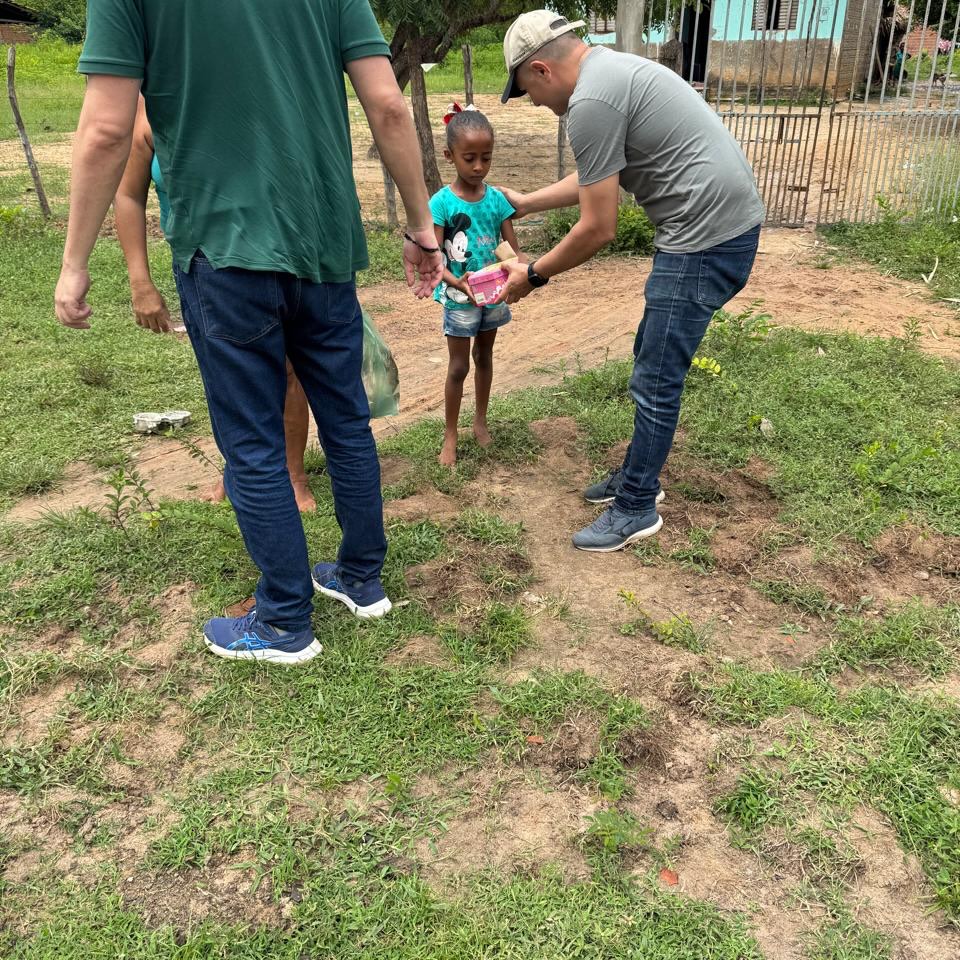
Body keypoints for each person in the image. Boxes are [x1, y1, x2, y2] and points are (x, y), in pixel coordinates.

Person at [55, 0, 443, 666]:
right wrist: (420, 225)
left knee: (253, 440)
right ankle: (360, 578)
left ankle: (285, 621)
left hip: (224, 247)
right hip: (324, 240)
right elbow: (388, 106)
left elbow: (105, 130)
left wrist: (75, 263)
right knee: (346, 419)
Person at [496, 10, 764, 553]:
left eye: (527, 92)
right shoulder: (610, 73)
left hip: (704, 239)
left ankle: (637, 504)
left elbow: (599, 227)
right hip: (718, 227)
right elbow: (599, 175)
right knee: (652, 355)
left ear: (542, 70)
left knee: (656, 377)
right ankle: (636, 475)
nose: (538, 104)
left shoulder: (591, 102)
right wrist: (528, 203)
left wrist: (533, 274)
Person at [114, 96, 317, 513]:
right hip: (199, 268)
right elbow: (128, 195)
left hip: (270, 255)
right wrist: (141, 282)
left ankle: (294, 475)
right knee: (225, 379)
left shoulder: (235, 86)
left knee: (288, 371)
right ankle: (238, 472)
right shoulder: (144, 108)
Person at [430, 104, 521, 467]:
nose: (479, 167)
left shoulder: (496, 200)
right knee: (458, 366)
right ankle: (450, 434)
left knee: (484, 356)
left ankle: (479, 421)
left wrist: (516, 273)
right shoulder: (441, 203)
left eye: (486, 158)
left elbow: (513, 250)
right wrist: (458, 280)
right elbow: (435, 258)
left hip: (494, 295)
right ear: (450, 156)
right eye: (470, 158)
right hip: (458, 297)